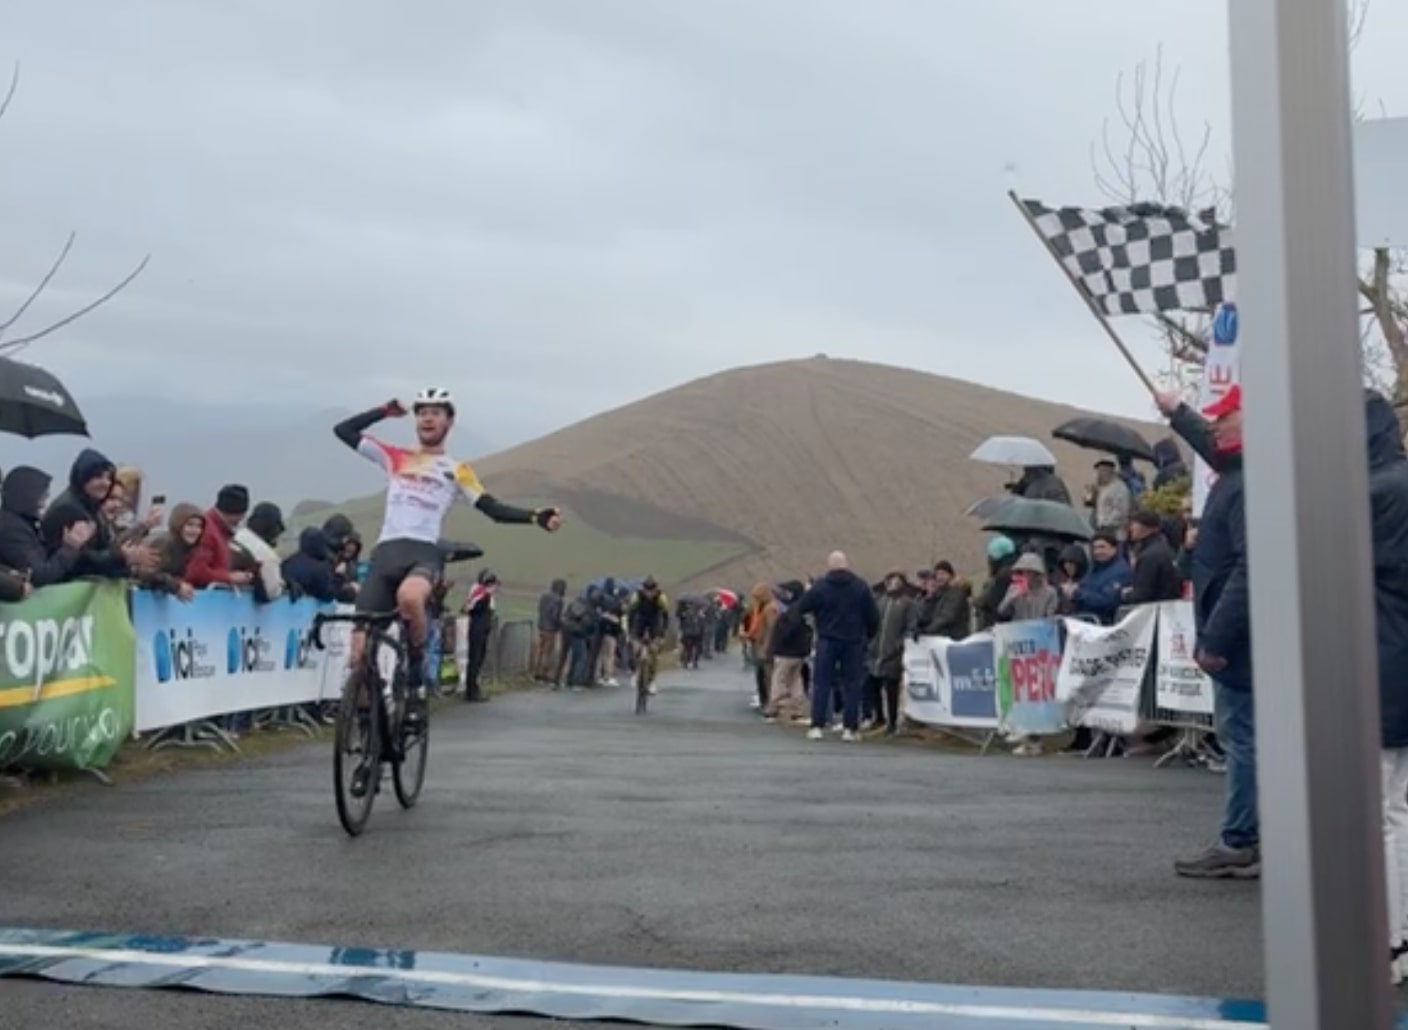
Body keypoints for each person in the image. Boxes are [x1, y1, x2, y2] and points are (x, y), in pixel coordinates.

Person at [333, 389, 562, 794]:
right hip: (385, 553)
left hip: (423, 553)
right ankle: (370, 746)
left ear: (448, 423)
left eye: (436, 413)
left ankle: (417, 676)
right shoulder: (394, 456)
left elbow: (490, 508)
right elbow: (343, 430)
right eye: (422, 412)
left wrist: (534, 517)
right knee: (357, 657)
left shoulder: (457, 470)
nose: (427, 419)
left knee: (409, 600)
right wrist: (383, 412)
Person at [1157, 385, 1256, 880]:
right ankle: (1249, 836)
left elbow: (1249, 568)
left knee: (1243, 739)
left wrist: (1215, 638)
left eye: (1224, 417)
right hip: (1239, 636)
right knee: (1245, 737)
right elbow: (1215, 445)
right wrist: (1177, 412)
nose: (1214, 425)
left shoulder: (1247, 482)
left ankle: (1242, 840)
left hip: (1237, 642)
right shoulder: (1241, 471)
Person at [1359, 390, 1408, 982]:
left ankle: (1389, 941)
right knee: (1397, 807)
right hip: (1398, 656)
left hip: (1381, 660)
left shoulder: (1371, 492)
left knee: (1381, 812)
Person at [799, 551, 880, 743]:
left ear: (830, 566)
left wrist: (814, 622)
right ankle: (849, 728)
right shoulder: (860, 587)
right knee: (852, 685)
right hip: (853, 641)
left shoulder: (820, 587)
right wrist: (867, 635)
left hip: (827, 639)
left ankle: (817, 726)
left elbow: (802, 607)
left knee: (821, 684)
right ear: (846, 565)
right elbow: (873, 617)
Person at [0, 466, 94, 588]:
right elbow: (39, 575)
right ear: (26, 496)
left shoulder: (25, 523)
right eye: (41, 497)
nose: (43, 504)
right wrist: (70, 548)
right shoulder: (11, 529)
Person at [866, 571, 915, 736]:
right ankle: (878, 716)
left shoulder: (907, 603)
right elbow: (872, 622)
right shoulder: (881, 601)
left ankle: (892, 722)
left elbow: (910, 625)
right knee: (872, 685)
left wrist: (900, 644)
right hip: (876, 650)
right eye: (891, 581)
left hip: (893, 653)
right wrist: (871, 641)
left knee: (891, 688)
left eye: (896, 581)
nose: (893, 584)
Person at [765, 580, 811, 724]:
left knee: (779, 679)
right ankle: (798, 709)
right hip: (799, 652)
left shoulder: (792, 610)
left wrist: (777, 642)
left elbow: (787, 629)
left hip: (786, 651)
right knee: (796, 681)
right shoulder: (802, 607)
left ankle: (775, 707)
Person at [1060, 532, 1131, 625]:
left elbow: (1108, 601)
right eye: (1095, 548)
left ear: (1114, 548)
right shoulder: (1093, 569)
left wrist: (1077, 594)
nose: (1098, 551)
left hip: (1104, 625)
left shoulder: (1120, 572)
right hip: (1085, 623)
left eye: (1102, 547)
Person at [1123, 509, 1183, 605]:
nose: (1131, 528)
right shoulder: (1165, 548)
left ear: (1145, 527)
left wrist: (1125, 595)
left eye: (1134, 524)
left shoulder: (1150, 555)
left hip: (1155, 610)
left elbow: (1143, 594)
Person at [627, 576, 670, 697]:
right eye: (647, 589)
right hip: (639, 623)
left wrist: (662, 634)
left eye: (652, 590)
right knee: (635, 649)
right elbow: (631, 613)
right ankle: (636, 672)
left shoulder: (661, 597)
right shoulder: (637, 596)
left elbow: (666, 616)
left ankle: (651, 680)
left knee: (654, 651)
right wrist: (631, 632)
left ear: (656, 588)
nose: (649, 593)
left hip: (654, 624)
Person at [462, 569, 498, 703]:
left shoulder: (483, 595)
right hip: (478, 630)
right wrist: (485, 597)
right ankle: (471, 691)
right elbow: (471, 609)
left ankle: (473, 688)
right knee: (475, 660)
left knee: (477, 660)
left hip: (480, 630)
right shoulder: (482, 596)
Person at [534, 578, 567, 682]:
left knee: (540, 650)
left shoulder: (544, 596)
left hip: (541, 626)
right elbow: (555, 616)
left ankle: (536, 672)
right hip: (551, 629)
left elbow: (539, 609)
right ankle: (544, 673)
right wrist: (560, 624)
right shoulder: (559, 600)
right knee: (547, 652)